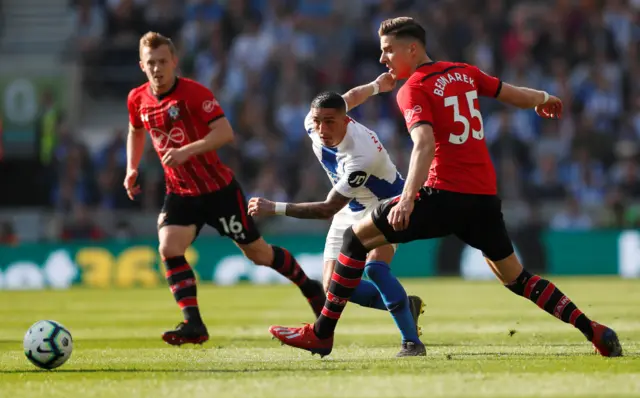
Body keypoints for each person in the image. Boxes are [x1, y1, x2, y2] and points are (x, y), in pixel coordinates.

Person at [269, 17, 622, 358]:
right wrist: (545, 97)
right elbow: (512, 94)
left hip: (442, 195)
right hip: (482, 198)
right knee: (517, 278)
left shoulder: (413, 89)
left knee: (354, 239)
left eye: (388, 50)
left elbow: (424, 144)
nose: (382, 58)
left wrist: (407, 198)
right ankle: (595, 331)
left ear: (412, 49)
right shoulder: (464, 73)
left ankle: (322, 334)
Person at [125, 32, 325, 346]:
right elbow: (136, 130)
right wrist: (132, 167)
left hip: (218, 191)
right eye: (151, 63)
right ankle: (194, 324)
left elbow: (224, 132)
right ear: (141, 65)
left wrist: (188, 150)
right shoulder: (137, 98)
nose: (157, 68)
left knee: (259, 254)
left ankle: (309, 287)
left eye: (163, 61)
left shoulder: (193, 94)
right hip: (180, 192)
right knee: (169, 247)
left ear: (174, 61)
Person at [248, 84, 426, 357]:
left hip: (384, 204)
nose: (322, 129)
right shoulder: (314, 121)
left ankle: (411, 342)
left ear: (345, 121)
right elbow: (351, 98)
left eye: (330, 122)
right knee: (334, 288)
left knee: (375, 269)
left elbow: (326, 208)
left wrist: (275, 207)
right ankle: (405, 305)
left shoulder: (361, 154)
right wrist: (377, 85)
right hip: (349, 207)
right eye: (318, 121)